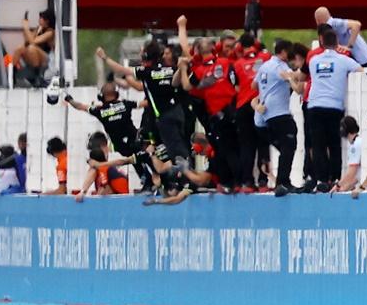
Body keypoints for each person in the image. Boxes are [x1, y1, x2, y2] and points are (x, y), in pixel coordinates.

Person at [99, 41, 188, 162]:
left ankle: (182, 175)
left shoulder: (147, 71)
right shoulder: (170, 68)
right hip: (178, 112)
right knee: (180, 144)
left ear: (146, 56)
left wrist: (105, 58)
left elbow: (120, 69)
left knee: (173, 151)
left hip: (162, 116)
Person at [65, 82, 152, 188]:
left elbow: (79, 106)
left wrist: (69, 99)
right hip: (135, 140)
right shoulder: (125, 104)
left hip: (121, 146)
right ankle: (153, 180)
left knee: (134, 160)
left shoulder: (100, 110)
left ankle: (148, 182)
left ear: (102, 96)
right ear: (116, 94)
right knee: (144, 158)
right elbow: (145, 103)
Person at [306, 30, 363, 192]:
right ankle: (335, 178)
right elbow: (361, 71)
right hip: (334, 107)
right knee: (334, 144)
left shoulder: (314, 60)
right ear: (337, 42)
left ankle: (321, 180)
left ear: (322, 42)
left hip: (314, 106)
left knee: (318, 146)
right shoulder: (344, 60)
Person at [181, 38, 239, 192]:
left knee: (225, 149)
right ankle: (242, 181)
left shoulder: (199, 70)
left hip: (217, 114)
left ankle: (232, 183)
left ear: (198, 51)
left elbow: (186, 85)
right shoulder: (225, 62)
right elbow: (236, 83)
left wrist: (182, 69)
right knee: (236, 146)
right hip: (233, 109)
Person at [253, 38, 303, 196]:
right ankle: (283, 182)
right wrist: (298, 73)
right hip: (278, 112)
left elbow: (253, 85)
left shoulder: (265, 66)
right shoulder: (280, 66)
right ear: (283, 52)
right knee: (290, 143)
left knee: (285, 147)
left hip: (264, 117)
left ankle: (282, 181)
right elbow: (292, 78)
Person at [232, 33, 269, 192]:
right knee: (263, 144)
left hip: (243, 106)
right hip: (261, 105)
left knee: (246, 146)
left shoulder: (237, 64)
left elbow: (236, 87)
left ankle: (247, 182)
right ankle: (263, 181)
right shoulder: (266, 57)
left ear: (240, 47)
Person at [8, 8, 55, 86]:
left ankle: (36, 76)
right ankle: (13, 74)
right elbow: (28, 40)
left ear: (47, 20)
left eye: (41, 18)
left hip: (46, 60)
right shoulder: (39, 29)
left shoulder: (50, 32)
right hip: (34, 56)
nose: (39, 20)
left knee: (31, 48)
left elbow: (33, 42)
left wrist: (26, 28)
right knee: (20, 48)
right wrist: (26, 29)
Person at [335, 115, 363, 192]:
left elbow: (352, 172)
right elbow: (357, 175)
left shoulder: (355, 145)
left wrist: (337, 185)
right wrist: (344, 189)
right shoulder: (358, 142)